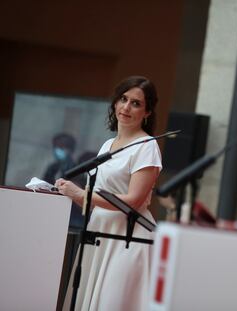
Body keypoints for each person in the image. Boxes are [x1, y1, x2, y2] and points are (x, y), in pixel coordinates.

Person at [56, 76, 162, 310]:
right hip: (97, 231)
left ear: (147, 112)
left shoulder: (147, 146)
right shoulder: (107, 145)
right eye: (123, 99)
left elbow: (133, 201)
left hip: (128, 237)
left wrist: (83, 194)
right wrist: (73, 195)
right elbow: (98, 201)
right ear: (115, 103)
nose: (126, 107)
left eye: (136, 103)